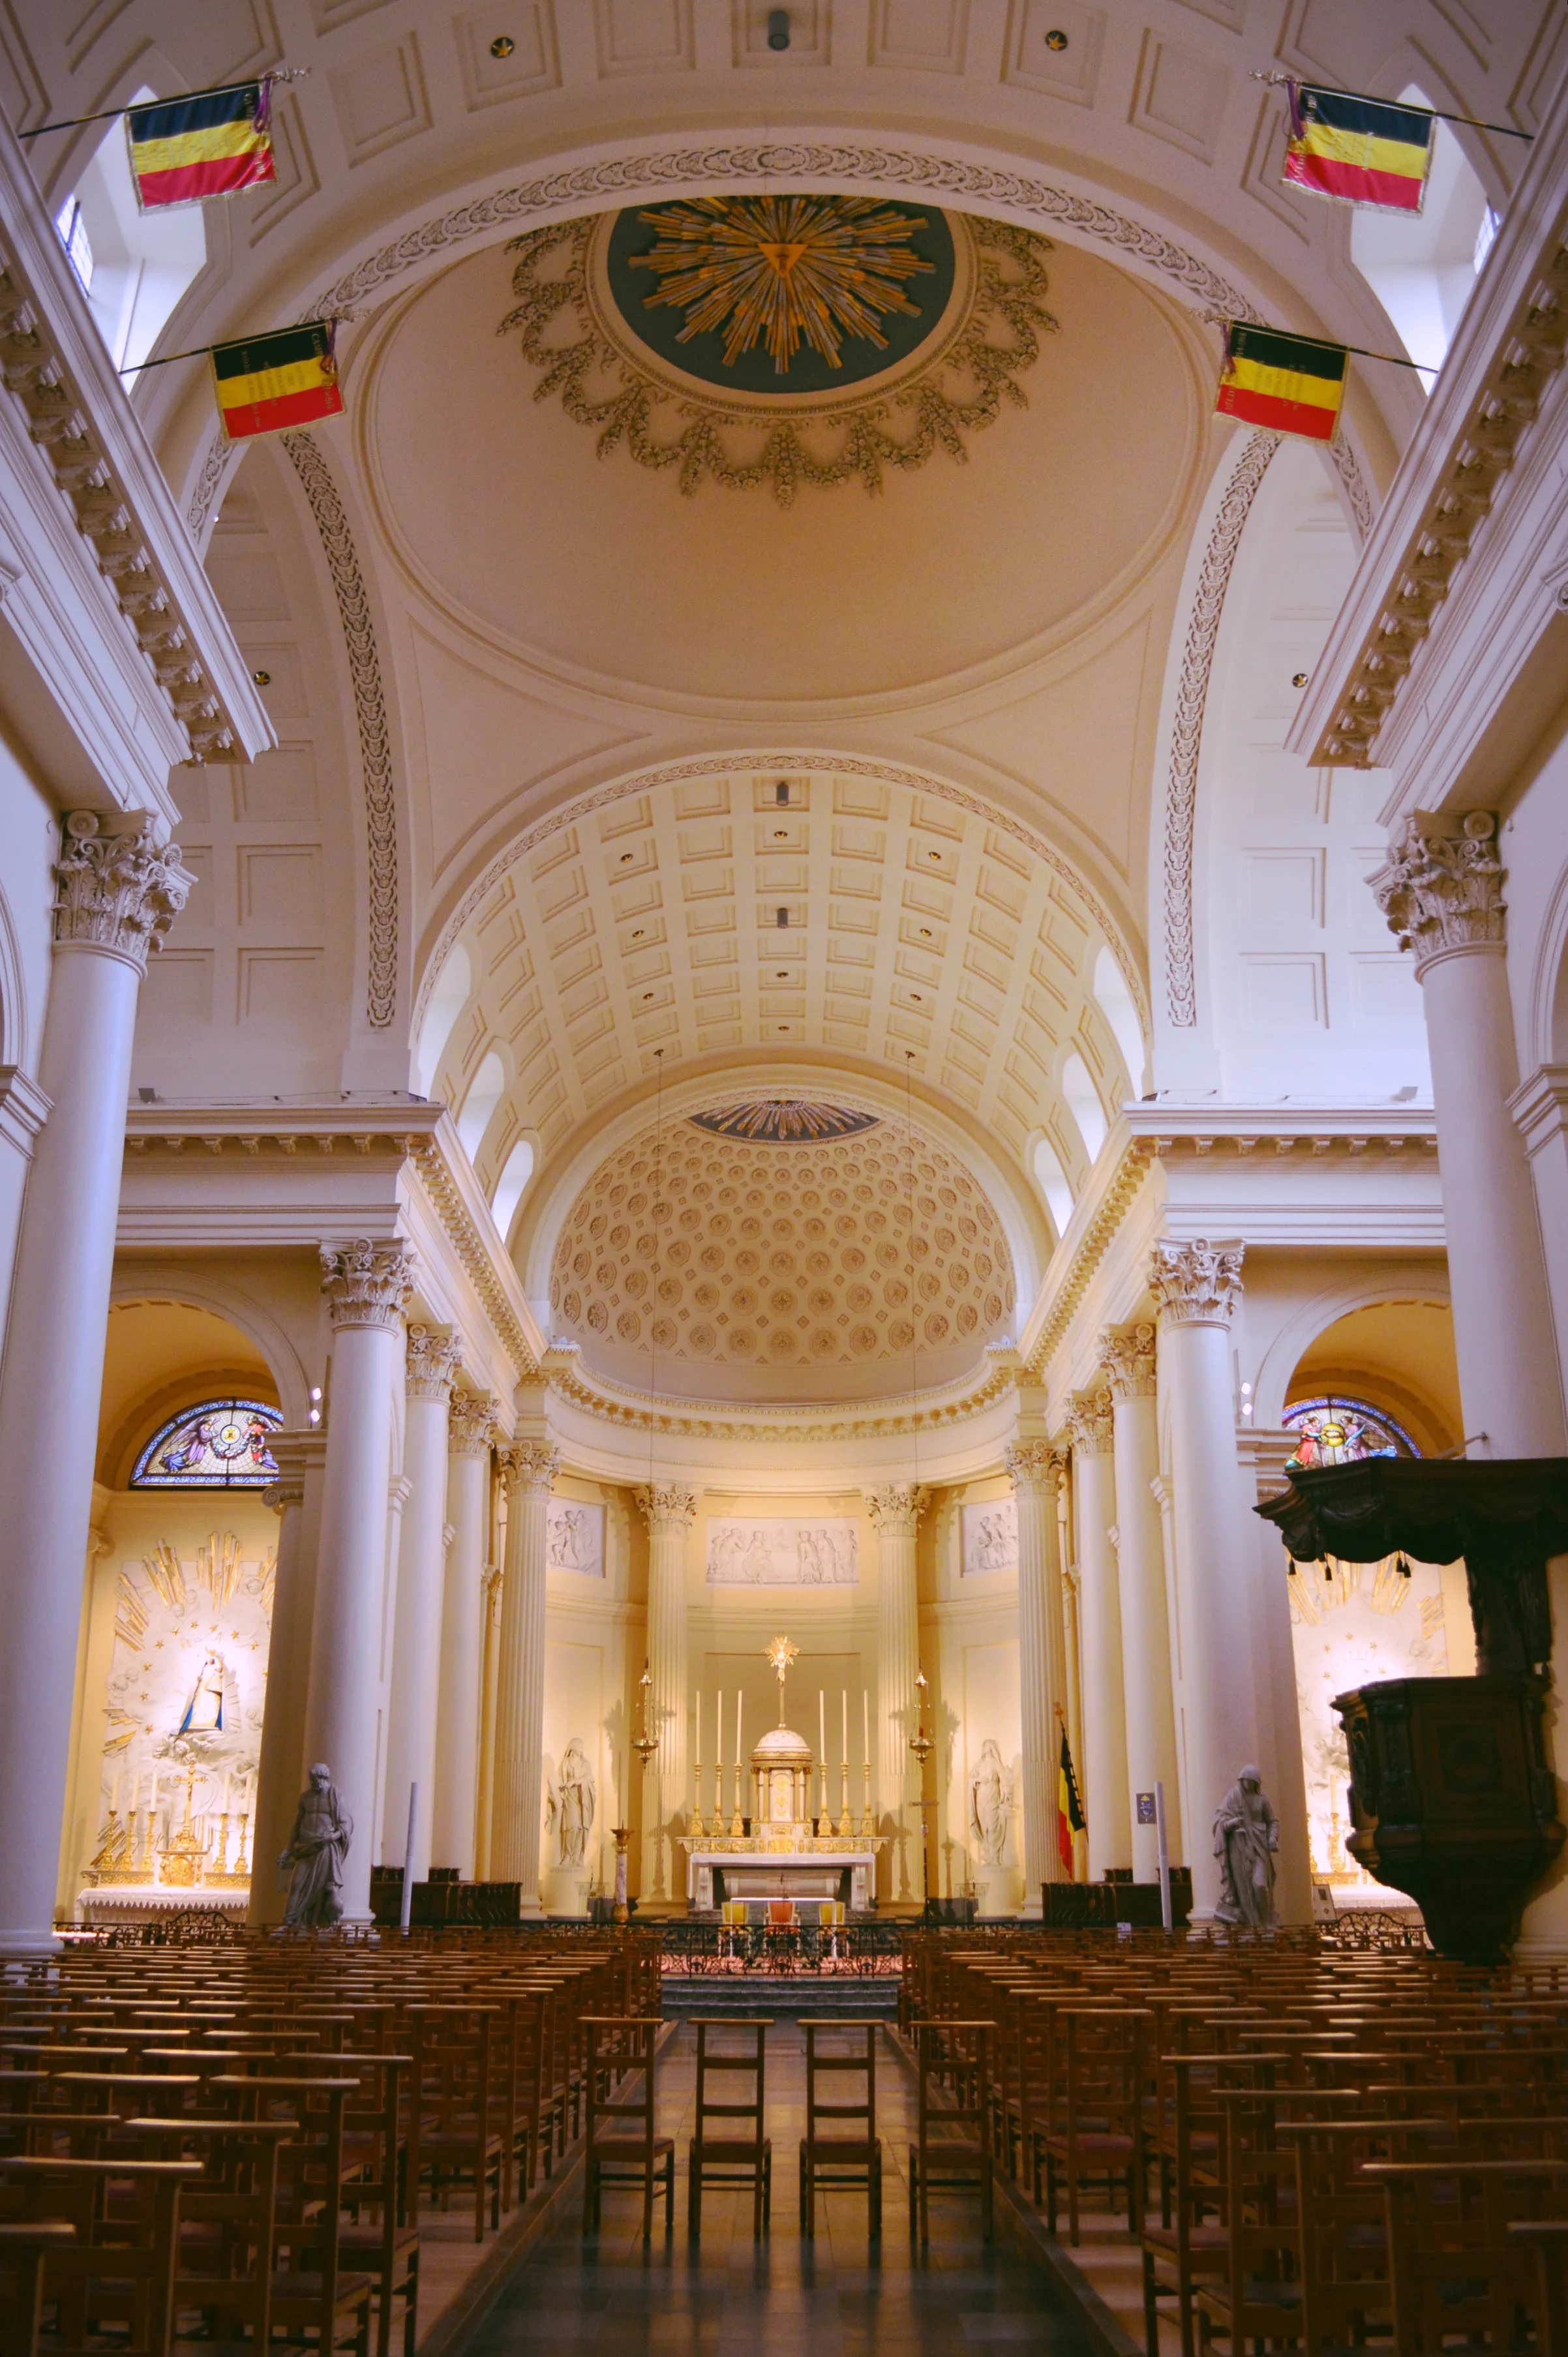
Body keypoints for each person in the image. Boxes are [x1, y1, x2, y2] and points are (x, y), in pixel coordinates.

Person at [279, 1761, 352, 1927]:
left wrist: (331, 1837)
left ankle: (320, 1924)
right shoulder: (305, 1797)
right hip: (306, 1848)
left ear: (324, 1778)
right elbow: (297, 1825)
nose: (312, 1783)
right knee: (296, 1885)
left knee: (325, 1890)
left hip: (325, 1848)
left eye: (314, 1780)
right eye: (311, 1780)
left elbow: (344, 1825)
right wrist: (288, 1849)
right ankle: (289, 1922)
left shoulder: (335, 1795)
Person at [1213, 1765, 1279, 1928]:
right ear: (1241, 1780)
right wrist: (1231, 1823)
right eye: (1245, 1781)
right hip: (1239, 1847)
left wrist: (1272, 1838)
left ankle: (1265, 1923)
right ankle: (1251, 1926)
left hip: (1259, 1845)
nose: (1248, 1784)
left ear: (1256, 1782)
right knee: (1243, 1889)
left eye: (1251, 1781)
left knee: (1259, 1885)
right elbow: (1219, 1822)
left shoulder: (1262, 1798)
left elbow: (1273, 1821)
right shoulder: (1233, 1797)